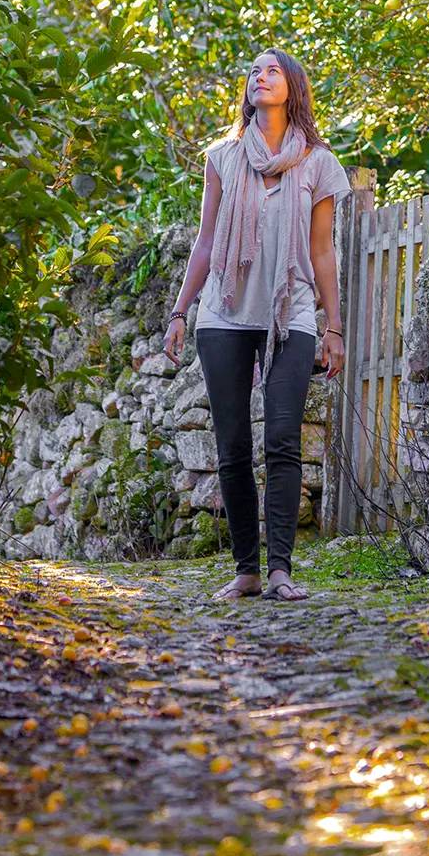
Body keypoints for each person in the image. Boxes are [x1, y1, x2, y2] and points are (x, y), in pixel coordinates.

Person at [162, 47, 350, 602]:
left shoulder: (318, 163)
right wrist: (180, 311)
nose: (259, 76)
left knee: (284, 438)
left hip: (290, 311)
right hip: (224, 311)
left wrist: (333, 326)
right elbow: (204, 242)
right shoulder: (221, 158)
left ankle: (281, 571)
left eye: (271, 70)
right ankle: (246, 569)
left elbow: (322, 253)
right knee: (232, 444)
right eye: (253, 70)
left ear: (292, 86)